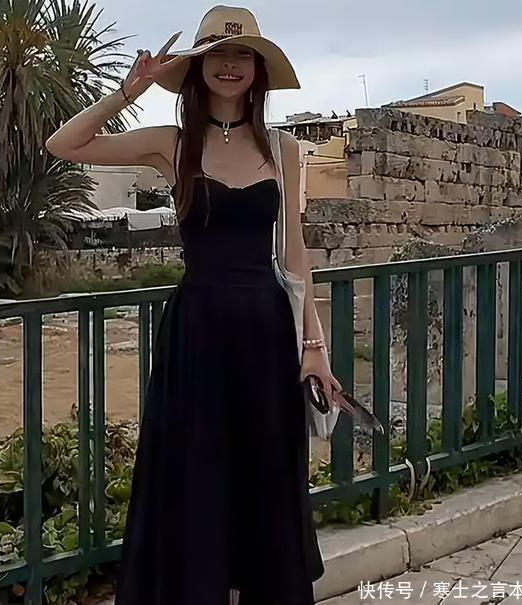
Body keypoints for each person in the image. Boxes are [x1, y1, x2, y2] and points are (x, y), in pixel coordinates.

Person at [46, 5, 344, 604]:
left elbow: (295, 255)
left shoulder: (284, 148)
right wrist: (130, 90)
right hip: (198, 331)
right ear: (197, 68)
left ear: (257, 70)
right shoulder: (172, 143)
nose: (229, 66)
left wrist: (314, 348)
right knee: (197, 465)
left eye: (242, 56)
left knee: (265, 467)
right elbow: (64, 144)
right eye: (216, 55)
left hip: (265, 330)